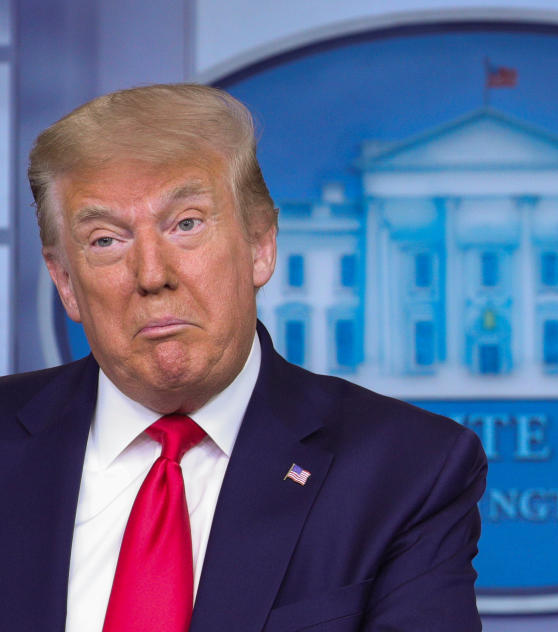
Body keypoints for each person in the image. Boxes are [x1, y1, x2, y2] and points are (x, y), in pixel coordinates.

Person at [0, 84, 487, 631]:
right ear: (65, 281)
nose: (152, 274)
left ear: (260, 245)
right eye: (106, 240)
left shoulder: (406, 469)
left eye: (186, 224)